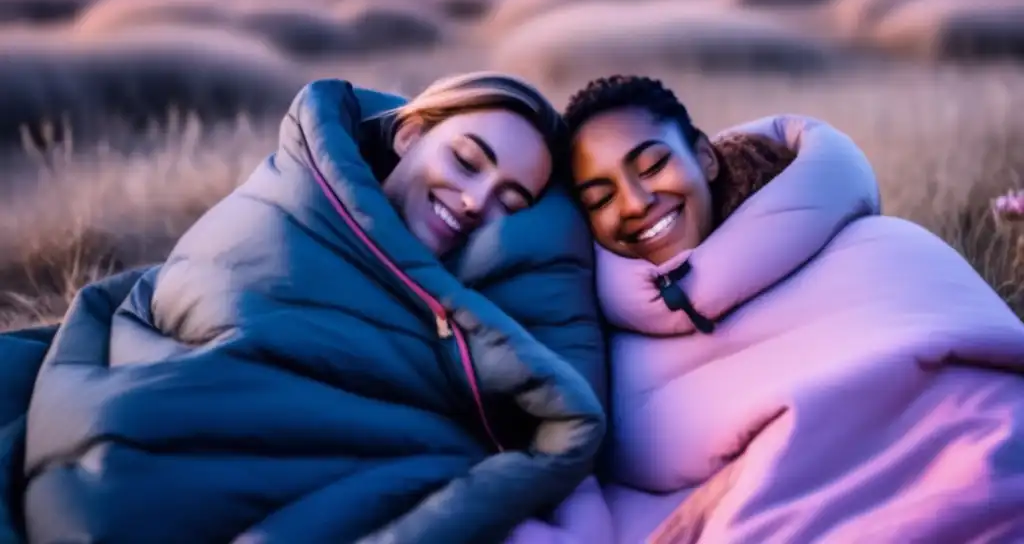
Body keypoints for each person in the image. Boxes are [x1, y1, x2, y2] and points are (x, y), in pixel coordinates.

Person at [4, 73, 607, 544]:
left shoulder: (467, 291)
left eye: (511, 200)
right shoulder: (294, 202)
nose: (477, 201)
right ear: (409, 134)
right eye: (467, 162)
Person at [563, 74, 1024, 543]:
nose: (636, 203)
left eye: (653, 165)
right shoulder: (602, 345)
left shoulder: (875, 245)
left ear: (704, 156)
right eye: (601, 198)